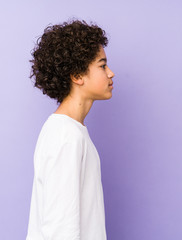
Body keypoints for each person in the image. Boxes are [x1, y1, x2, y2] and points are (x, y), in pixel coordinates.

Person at [25, 19, 115, 240]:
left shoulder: (70, 131)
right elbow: (60, 229)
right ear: (77, 76)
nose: (111, 73)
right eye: (102, 65)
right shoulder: (66, 136)